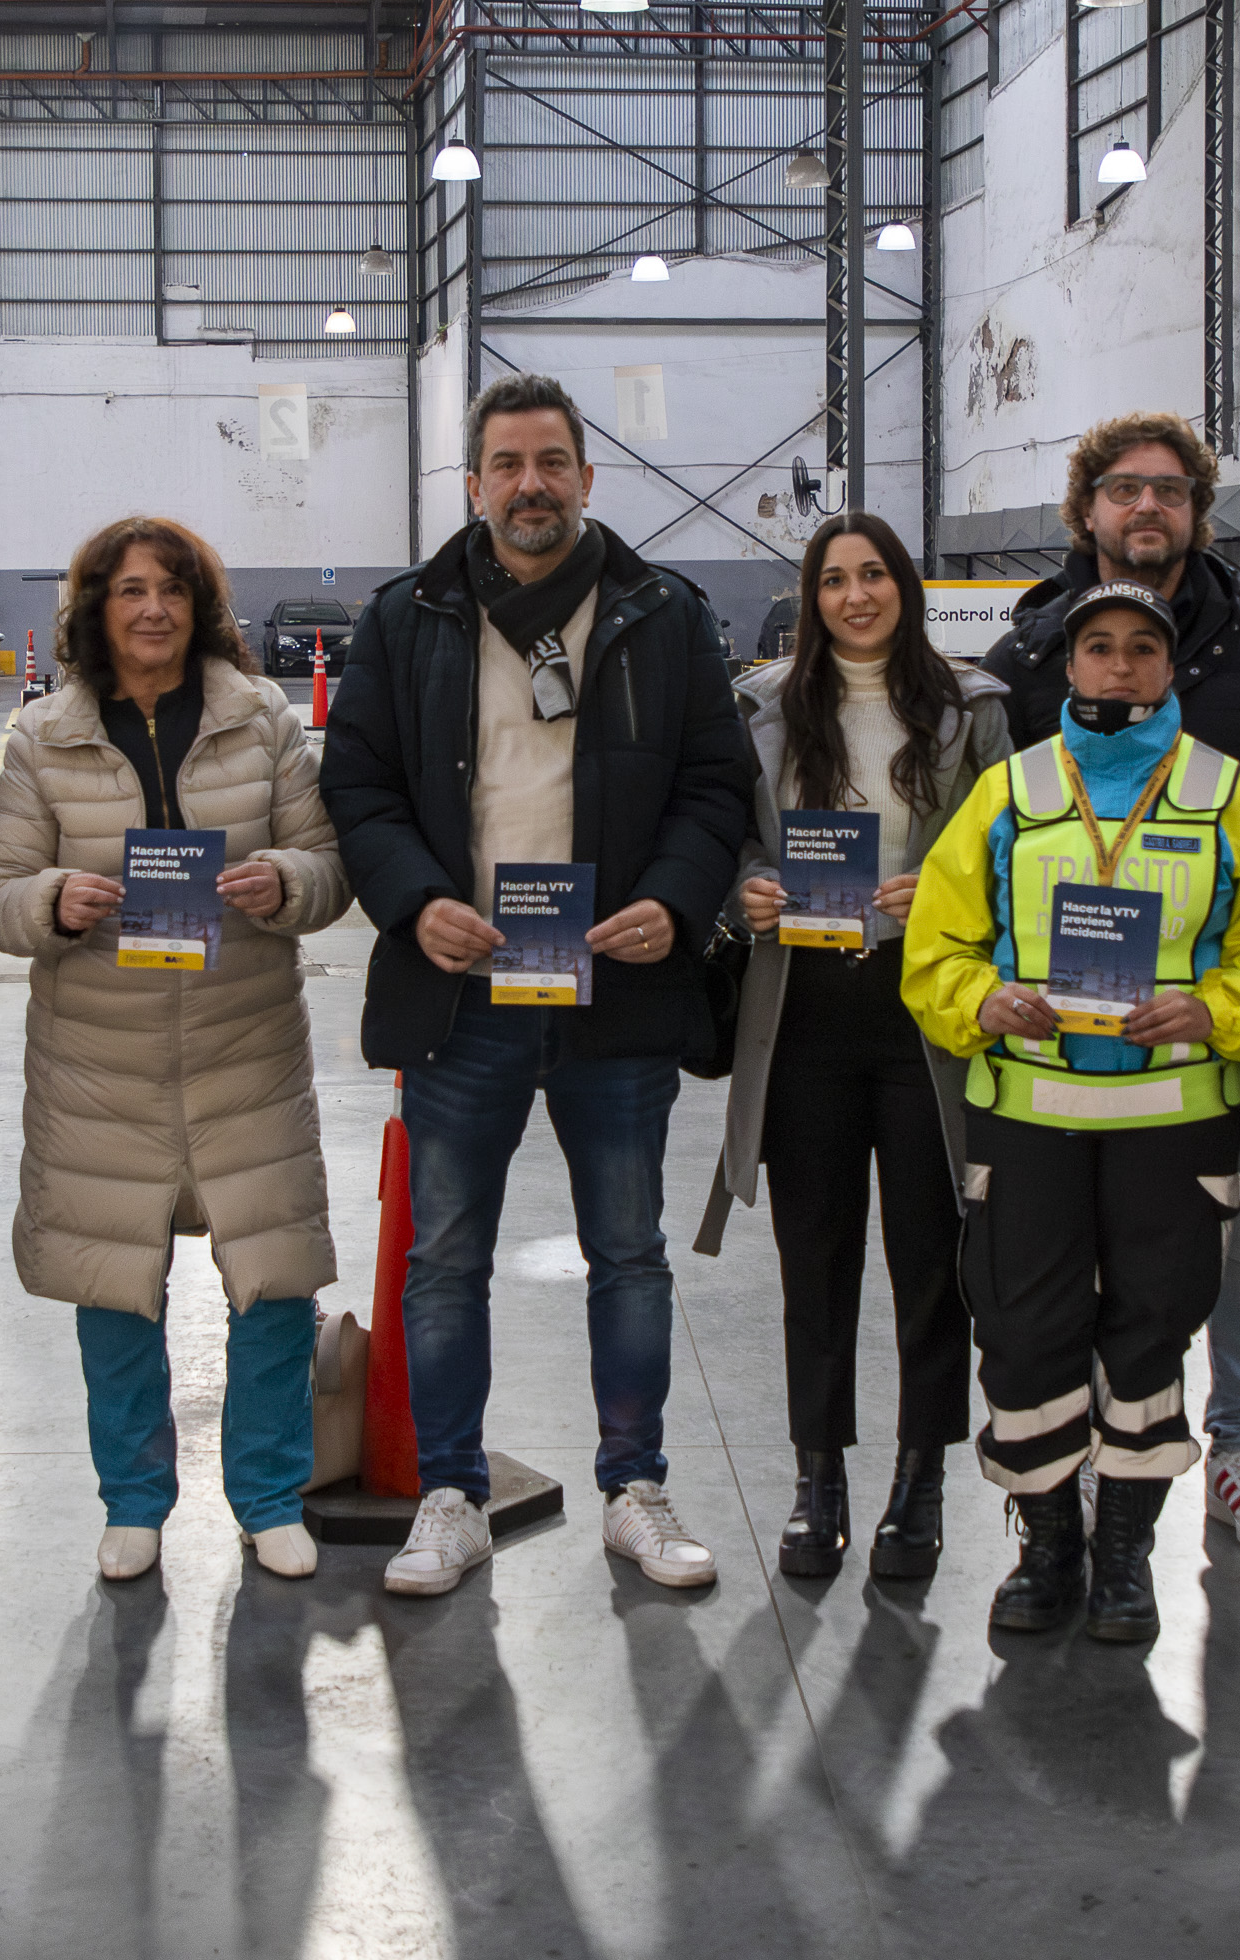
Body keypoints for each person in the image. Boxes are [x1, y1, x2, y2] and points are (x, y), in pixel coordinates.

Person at [321, 373, 754, 1599]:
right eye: (506, 464)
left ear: (586, 477)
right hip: (464, 993)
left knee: (629, 1247)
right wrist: (414, 901)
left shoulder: (661, 613)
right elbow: (357, 787)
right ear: (472, 484)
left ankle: (635, 1487)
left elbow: (715, 785)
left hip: (614, 992)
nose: (530, 485)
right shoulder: (409, 617)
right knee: (446, 1255)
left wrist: (672, 903)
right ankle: (448, 1492)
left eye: (552, 461)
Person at [902, 579, 1240, 1645]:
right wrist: (977, 998)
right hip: (1029, 1117)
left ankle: (1125, 1549)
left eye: (1140, 649)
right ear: (1068, 666)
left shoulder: (1227, 794)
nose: (1119, 667)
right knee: (1027, 1333)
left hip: (1173, 1121)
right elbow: (935, 944)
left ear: (1169, 669)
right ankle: (1047, 1547)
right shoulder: (1011, 789)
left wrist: (1214, 1006)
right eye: (1098, 649)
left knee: (1149, 1333)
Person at [974, 411, 1240, 1562]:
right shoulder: (1032, 648)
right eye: (1124, 489)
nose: (1146, 508)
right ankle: (1076, 1472)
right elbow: (1005, 826)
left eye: (1170, 491)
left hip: (1220, 1031)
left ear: (1197, 513)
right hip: (1060, 1047)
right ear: (1087, 510)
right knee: (1077, 1262)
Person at [0, 517, 351, 1582]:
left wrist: (283, 882)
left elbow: (326, 863)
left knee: (273, 1285)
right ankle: (134, 1500)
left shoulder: (262, 717)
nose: (152, 609)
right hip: (101, 1060)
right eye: (130, 590)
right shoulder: (45, 736)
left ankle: (270, 1495)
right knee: (115, 1287)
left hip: (248, 1047)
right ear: (95, 606)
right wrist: (52, 897)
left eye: (173, 590)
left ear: (201, 605)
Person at [693, 511, 1013, 1581]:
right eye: (835, 579)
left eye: (874, 574)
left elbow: (1014, 844)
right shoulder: (762, 708)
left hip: (923, 1016)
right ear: (812, 594)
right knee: (813, 1261)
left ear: (905, 587)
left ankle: (920, 1479)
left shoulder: (974, 710)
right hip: (805, 1015)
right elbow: (729, 836)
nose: (857, 595)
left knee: (933, 1261)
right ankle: (815, 1473)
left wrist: (954, 886)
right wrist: (746, 889)